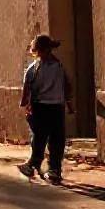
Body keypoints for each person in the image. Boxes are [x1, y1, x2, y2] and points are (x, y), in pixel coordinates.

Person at [18, 34, 74, 185]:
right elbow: (67, 86)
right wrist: (69, 103)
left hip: (40, 107)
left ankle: (33, 164)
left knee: (39, 137)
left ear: (37, 51)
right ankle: (54, 169)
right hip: (56, 106)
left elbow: (27, 88)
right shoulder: (59, 67)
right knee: (56, 138)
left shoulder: (33, 68)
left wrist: (24, 104)